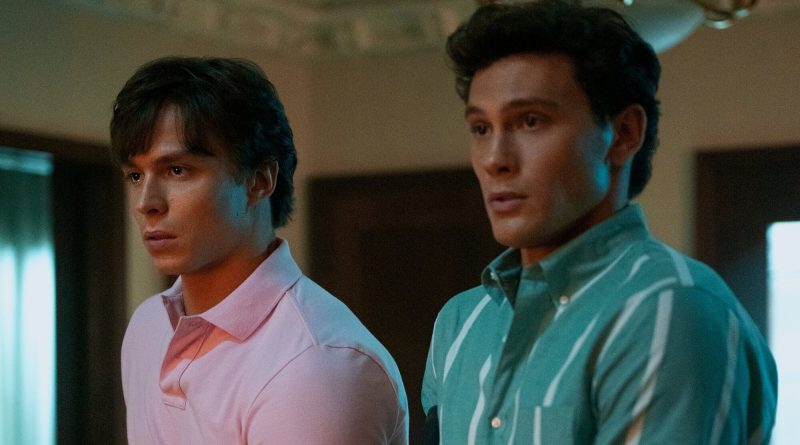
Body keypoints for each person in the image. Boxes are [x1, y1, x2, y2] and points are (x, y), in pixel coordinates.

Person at [421, 1, 777, 444]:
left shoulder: (669, 310)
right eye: (481, 128)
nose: (495, 159)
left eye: (530, 121)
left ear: (624, 134)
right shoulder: (462, 321)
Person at [112, 56, 408, 444]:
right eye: (136, 175)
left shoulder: (315, 363)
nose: (146, 202)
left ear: (259, 181)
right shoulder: (148, 326)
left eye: (177, 170)